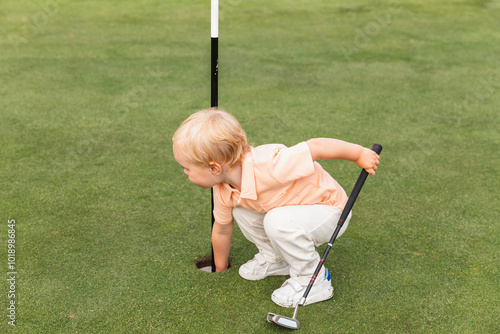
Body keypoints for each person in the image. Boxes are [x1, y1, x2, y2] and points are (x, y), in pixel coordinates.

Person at [172, 108, 380, 307]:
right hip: (292, 212)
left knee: (277, 221)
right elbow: (222, 228)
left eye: (187, 168)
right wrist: (219, 267)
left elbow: (316, 147)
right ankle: (277, 258)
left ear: (214, 168)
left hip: (330, 211)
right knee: (242, 212)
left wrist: (359, 154)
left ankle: (313, 279)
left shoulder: (270, 165)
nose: (184, 172)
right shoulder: (224, 189)